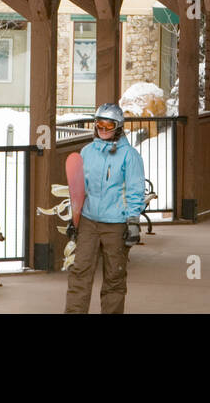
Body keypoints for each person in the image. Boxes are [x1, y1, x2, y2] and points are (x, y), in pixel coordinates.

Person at [64, 103, 146, 314]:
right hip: (89, 221)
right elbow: (79, 188)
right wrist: (74, 218)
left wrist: (133, 221)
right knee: (79, 273)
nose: (102, 128)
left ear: (118, 126)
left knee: (114, 277)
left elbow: (135, 191)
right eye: (99, 123)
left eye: (108, 124)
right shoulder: (87, 151)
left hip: (116, 224)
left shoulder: (130, 156)